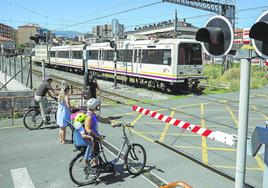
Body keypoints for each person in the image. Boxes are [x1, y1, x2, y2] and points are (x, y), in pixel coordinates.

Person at [74, 98, 115, 162]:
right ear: (95, 107)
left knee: (96, 154)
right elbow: (87, 129)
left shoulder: (93, 114)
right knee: (94, 155)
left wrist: (111, 122)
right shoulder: (89, 117)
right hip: (93, 138)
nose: (98, 106)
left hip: (95, 137)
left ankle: (94, 169)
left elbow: (102, 119)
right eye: (97, 105)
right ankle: (92, 169)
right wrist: (97, 136)